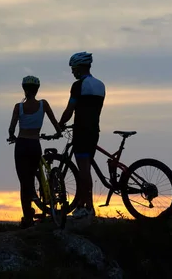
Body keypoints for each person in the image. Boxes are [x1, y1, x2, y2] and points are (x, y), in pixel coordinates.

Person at [8, 75, 63, 228]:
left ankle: (27, 217)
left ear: (24, 89)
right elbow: (55, 123)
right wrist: (58, 133)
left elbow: (11, 128)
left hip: (21, 145)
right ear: (37, 89)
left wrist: (11, 135)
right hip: (34, 145)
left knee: (24, 182)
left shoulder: (18, 107)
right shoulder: (43, 104)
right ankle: (42, 200)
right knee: (33, 175)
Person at [58, 51, 105, 220]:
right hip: (94, 131)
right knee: (86, 168)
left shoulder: (78, 86)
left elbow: (70, 110)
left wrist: (60, 125)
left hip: (81, 131)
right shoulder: (100, 85)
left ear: (79, 68)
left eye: (73, 68)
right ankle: (85, 204)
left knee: (83, 170)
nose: (72, 72)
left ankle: (86, 207)